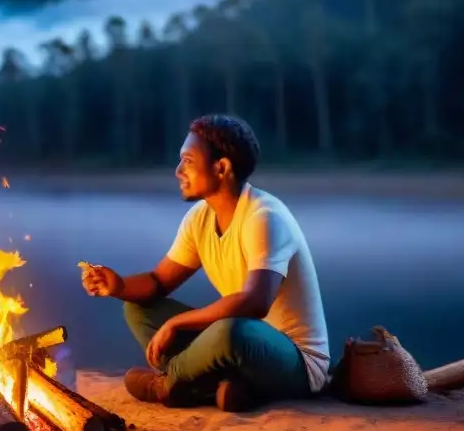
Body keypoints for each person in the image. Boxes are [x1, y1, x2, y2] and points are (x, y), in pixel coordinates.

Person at [80, 114, 330, 412]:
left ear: (221, 168)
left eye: (187, 161)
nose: (178, 171)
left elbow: (255, 302)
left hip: (295, 362)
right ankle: (221, 387)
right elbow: (159, 282)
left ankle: (170, 384)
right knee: (137, 309)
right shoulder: (200, 217)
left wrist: (177, 323)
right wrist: (118, 285)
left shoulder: (264, 217)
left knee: (229, 331)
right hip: (240, 349)